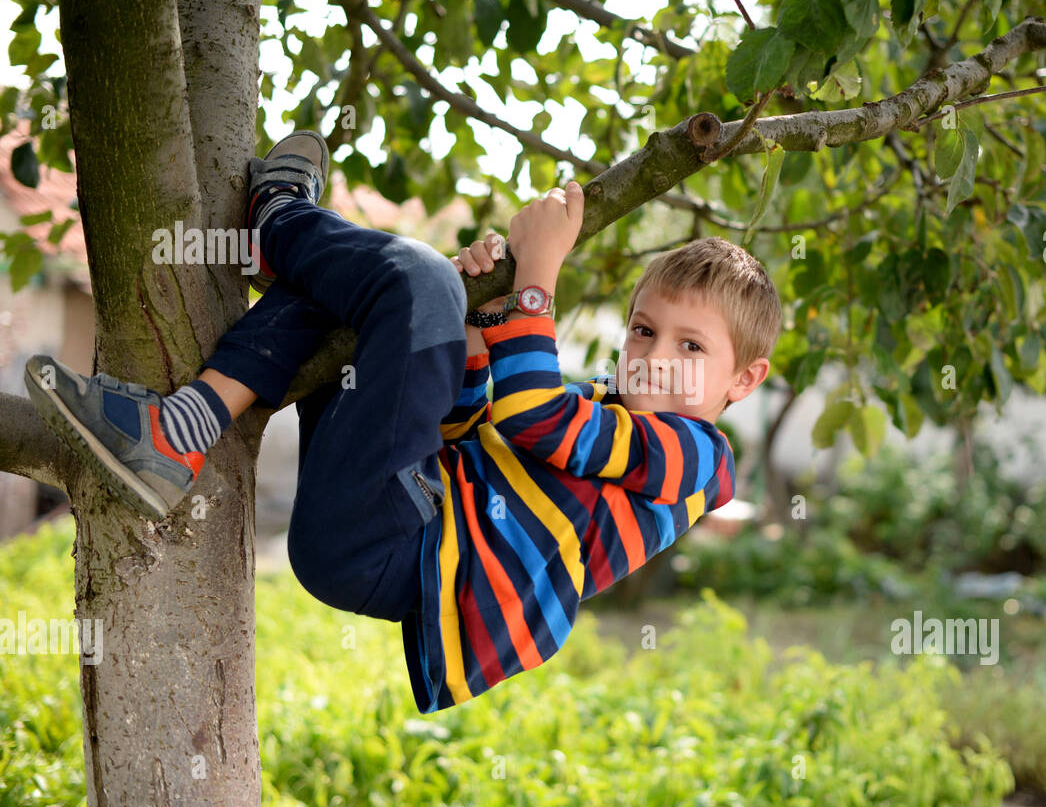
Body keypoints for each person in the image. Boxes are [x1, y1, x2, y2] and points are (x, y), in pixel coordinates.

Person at [24, 130, 782, 713]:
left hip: (394, 543)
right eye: (645, 329)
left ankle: (279, 221)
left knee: (413, 274)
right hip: (395, 513)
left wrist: (538, 277)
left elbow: (533, 421)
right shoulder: (603, 409)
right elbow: (462, 430)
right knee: (376, 288)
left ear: (745, 380)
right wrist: (481, 325)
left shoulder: (695, 458)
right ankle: (186, 422)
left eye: (691, 345)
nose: (654, 354)